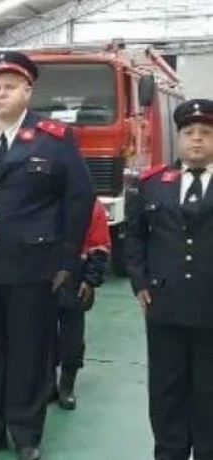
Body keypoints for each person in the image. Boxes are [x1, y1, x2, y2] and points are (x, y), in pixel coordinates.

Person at [0, 52, 94, 460]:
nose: (1, 93)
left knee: (28, 352)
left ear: (28, 90)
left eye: (10, 86)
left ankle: (26, 433)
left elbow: (79, 199)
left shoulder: (55, 139)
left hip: (32, 267)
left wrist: (65, 260)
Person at [125, 99, 213, 460]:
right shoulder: (152, 185)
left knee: (209, 387)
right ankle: (170, 451)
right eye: (189, 133)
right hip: (164, 303)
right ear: (178, 138)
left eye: (206, 133)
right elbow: (135, 237)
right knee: (166, 386)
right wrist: (140, 282)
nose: (197, 140)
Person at [53, 200, 110, 410]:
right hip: (41, 274)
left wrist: (91, 279)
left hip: (75, 275)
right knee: (40, 334)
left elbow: (99, 243)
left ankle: (66, 386)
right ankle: (48, 385)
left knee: (72, 336)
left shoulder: (91, 204)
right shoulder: (39, 195)